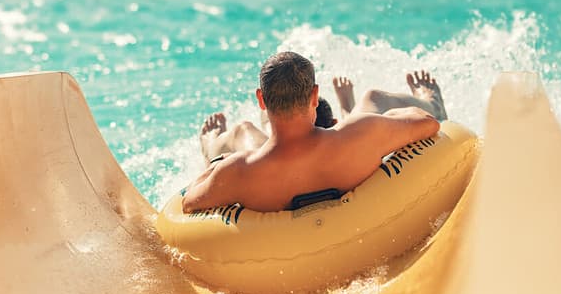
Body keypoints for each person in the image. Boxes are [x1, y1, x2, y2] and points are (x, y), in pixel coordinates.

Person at [183, 53, 445, 213]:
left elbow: (189, 203)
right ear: (315, 96)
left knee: (241, 131)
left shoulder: (238, 171)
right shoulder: (361, 133)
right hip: (343, 152)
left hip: (265, 166)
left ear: (261, 100)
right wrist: (383, 120)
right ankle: (431, 99)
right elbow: (428, 124)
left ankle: (210, 146)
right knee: (373, 97)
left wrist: (216, 167)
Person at [199, 98, 337, 166]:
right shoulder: (343, 144)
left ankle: (210, 149)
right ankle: (274, 124)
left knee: (242, 129)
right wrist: (346, 103)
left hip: (272, 167)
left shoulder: (265, 164)